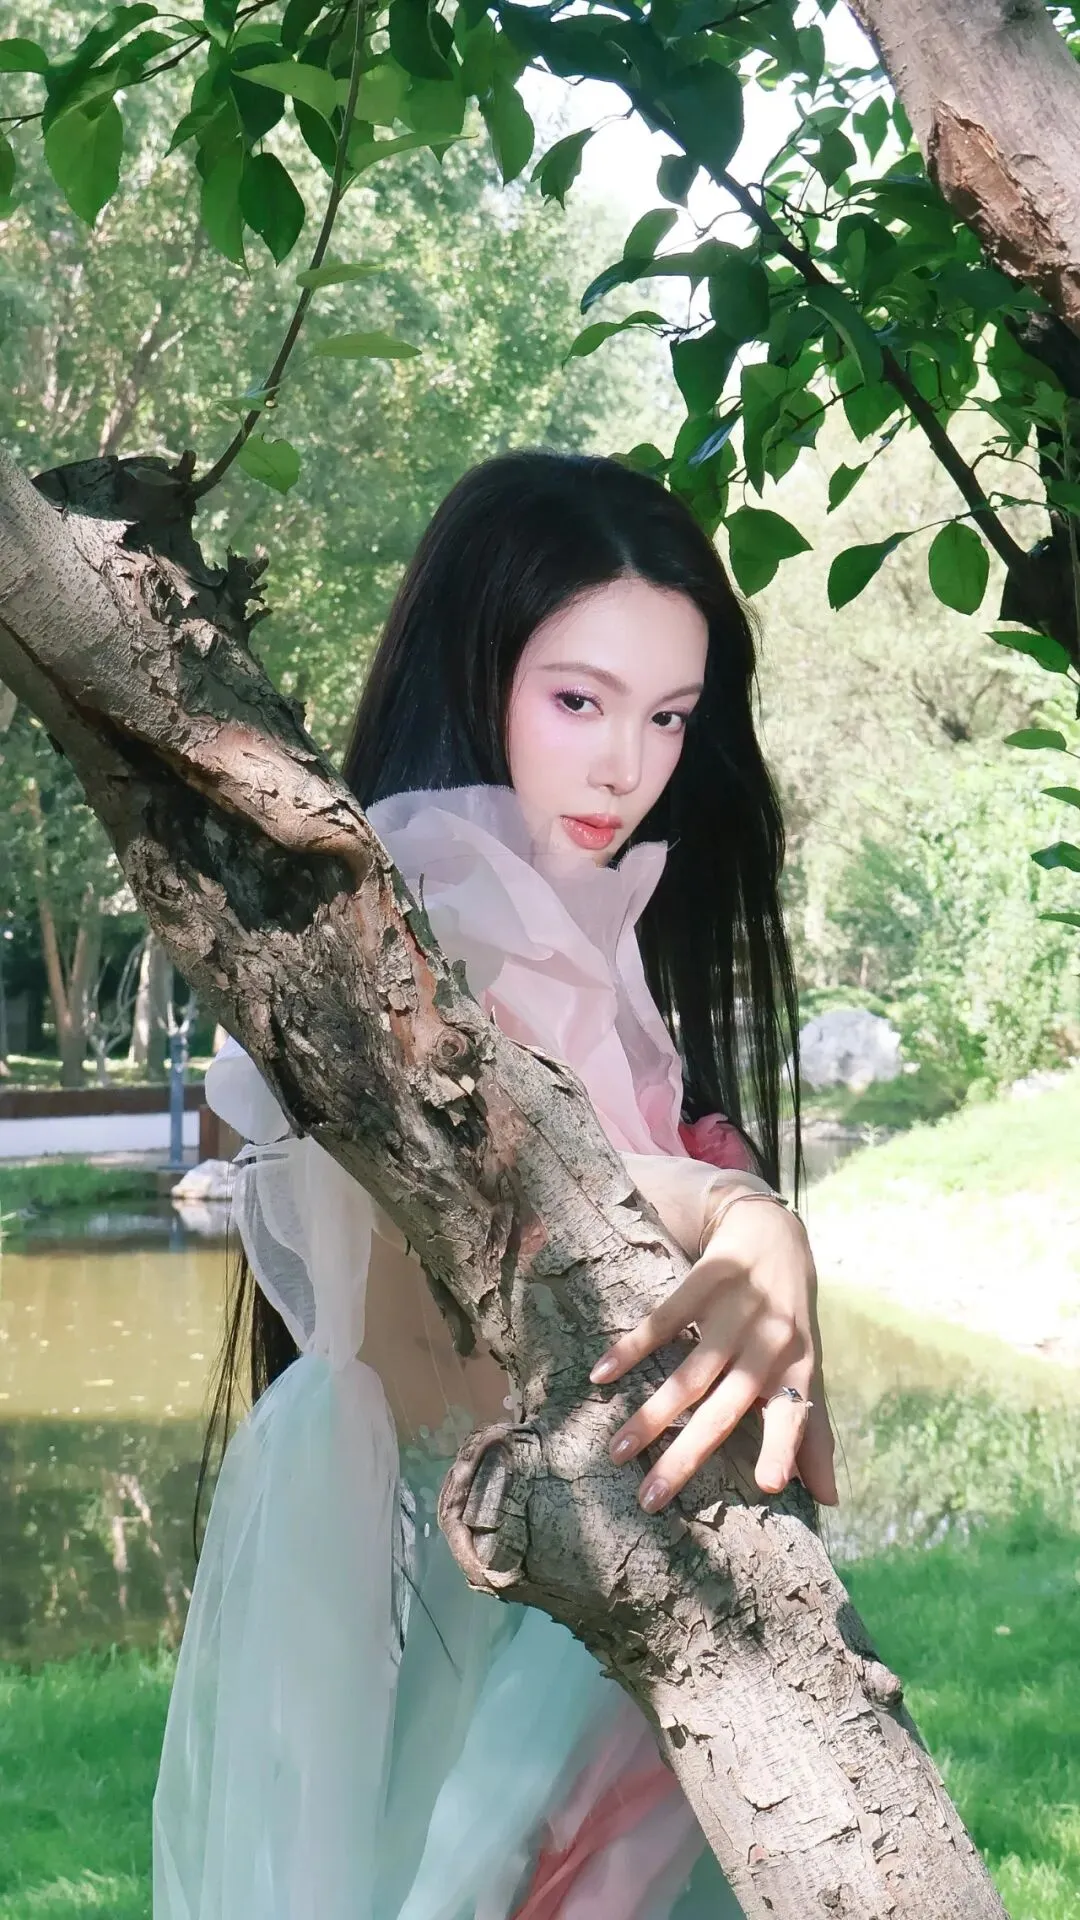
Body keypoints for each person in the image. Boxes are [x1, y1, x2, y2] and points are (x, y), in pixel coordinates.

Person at [153, 450, 837, 1920]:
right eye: (579, 701)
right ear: (477, 674)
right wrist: (735, 1209)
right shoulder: (437, 896)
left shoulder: (581, 927)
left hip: (564, 1574)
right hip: (520, 1593)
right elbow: (510, 1161)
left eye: (670, 716)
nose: (626, 766)